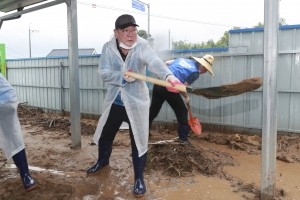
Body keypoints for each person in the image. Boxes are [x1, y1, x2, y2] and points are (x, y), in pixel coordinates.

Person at [86, 14, 182, 197]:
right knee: (106, 135)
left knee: (138, 139)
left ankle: (139, 178)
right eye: (125, 31)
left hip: (137, 103)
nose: (130, 35)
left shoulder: (142, 47)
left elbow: (155, 63)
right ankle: (102, 161)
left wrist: (169, 77)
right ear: (116, 33)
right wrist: (121, 76)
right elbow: (103, 72)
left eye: (133, 31)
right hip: (115, 101)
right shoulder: (108, 48)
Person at [149, 55, 215, 144]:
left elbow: (166, 63)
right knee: (182, 111)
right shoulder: (195, 73)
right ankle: (183, 139)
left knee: (153, 110)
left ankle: (144, 133)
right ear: (202, 66)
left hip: (159, 82)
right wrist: (186, 97)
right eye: (206, 69)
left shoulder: (182, 60)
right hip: (169, 87)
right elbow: (182, 87)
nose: (206, 71)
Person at [0, 73, 37, 191]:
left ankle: (25, 174)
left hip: (4, 99)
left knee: (12, 134)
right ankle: (26, 175)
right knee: (12, 134)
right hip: (6, 98)